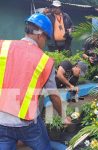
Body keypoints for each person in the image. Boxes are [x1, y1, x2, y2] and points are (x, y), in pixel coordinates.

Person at [0, 13, 69, 150]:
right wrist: (63, 117)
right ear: (40, 35)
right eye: (47, 39)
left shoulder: (3, 46)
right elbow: (53, 95)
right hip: (28, 123)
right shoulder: (44, 61)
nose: (45, 43)